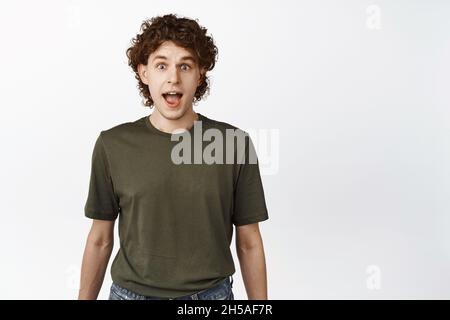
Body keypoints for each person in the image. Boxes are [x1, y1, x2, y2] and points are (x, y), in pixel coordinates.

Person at [78, 13, 269, 300]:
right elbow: (100, 239)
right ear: (144, 73)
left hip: (210, 297)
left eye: (185, 65)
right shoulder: (112, 145)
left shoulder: (233, 144)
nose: (173, 77)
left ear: (200, 73)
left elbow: (249, 242)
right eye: (161, 65)